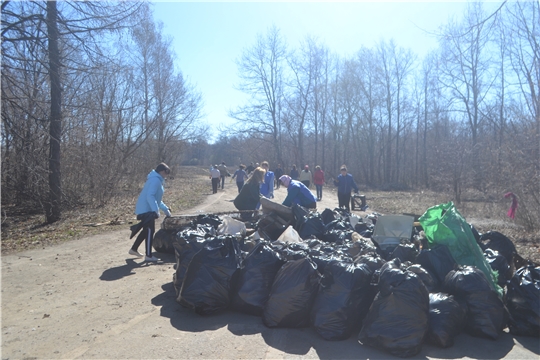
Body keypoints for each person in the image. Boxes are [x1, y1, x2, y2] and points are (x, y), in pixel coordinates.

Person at [128, 163, 172, 262]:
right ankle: (148, 255)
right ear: (161, 171)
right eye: (166, 172)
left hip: (147, 209)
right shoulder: (155, 180)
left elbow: (157, 199)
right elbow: (150, 196)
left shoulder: (157, 180)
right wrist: (155, 210)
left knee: (146, 231)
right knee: (149, 231)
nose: (167, 174)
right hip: (146, 210)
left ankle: (134, 249)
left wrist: (165, 209)